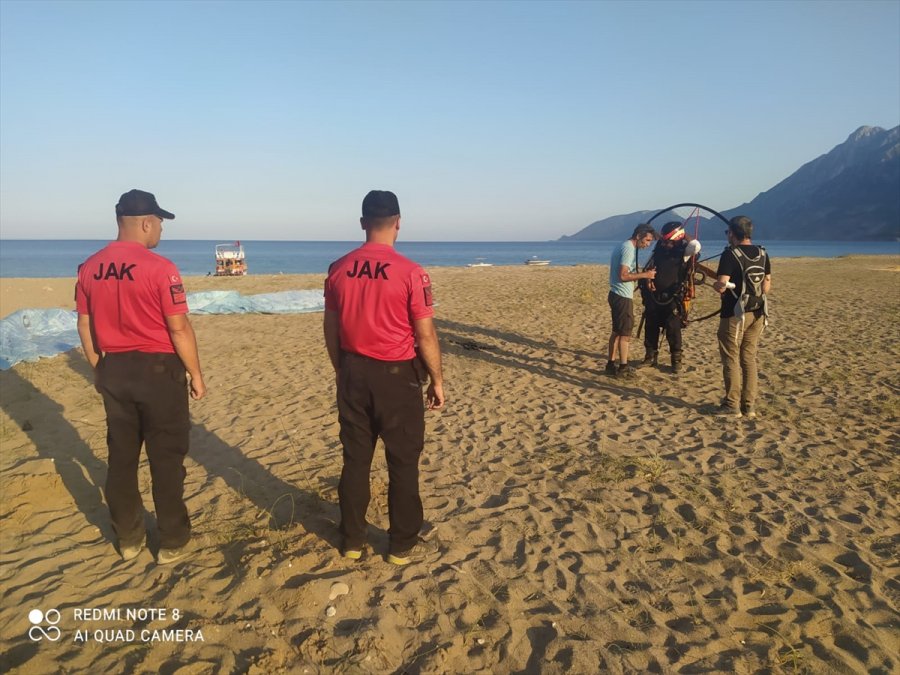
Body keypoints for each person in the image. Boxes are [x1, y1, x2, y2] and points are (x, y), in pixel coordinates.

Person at [76, 189, 206, 564]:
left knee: (122, 457)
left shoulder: (90, 266)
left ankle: (129, 538)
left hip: (113, 368)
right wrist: (196, 373)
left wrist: (97, 365)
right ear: (146, 223)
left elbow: (84, 324)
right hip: (158, 371)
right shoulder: (160, 268)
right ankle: (171, 540)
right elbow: (179, 328)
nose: (161, 231)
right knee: (166, 458)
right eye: (160, 223)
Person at [323, 190, 445, 566]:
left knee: (356, 460)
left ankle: (353, 540)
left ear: (362, 223)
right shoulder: (411, 272)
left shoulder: (339, 267)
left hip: (353, 372)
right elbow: (424, 334)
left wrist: (341, 369)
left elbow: (331, 328)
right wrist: (437, 380)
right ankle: (401, 545)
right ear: (398, 222)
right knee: (402, 463)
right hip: (397, 377)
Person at [712, 215, 772, 419]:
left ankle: (731, 404)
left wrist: (718, 286)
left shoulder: (730, 255)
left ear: (732, 233)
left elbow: (722, 284)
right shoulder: (762, 253)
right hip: (758, 313)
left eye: (728, 233)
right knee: (749, 358)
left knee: (730, 358)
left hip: (735, 314)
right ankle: (749, 406)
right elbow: (766, 285)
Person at [639, 221, 698, 374]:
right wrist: (648, 279)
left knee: (673, 327)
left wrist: (685, 235)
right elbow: (651, 266)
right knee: (651, 325)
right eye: (665, 241)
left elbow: (696, 246)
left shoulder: (684, 250)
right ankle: (650, 356)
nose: (666, 244)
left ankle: (676, 360)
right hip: (654, 294)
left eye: (669, 241)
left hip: (673, 296)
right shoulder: (660, 248)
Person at [606, 223, 657, 378]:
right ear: (638, 236)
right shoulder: (628, 248)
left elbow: (626, 272)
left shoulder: (624, 246)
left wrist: (642, 274)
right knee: (624, 334)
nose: (648, 245)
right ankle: (623, 368)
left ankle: (610, 364)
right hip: (622, 296)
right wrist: (645, 276)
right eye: (647, 240)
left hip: (615, 294)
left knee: (616, 331)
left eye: (650, 242)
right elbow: (623, 276)